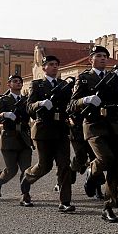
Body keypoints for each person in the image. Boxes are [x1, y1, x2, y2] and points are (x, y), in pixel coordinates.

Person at [69, 45, 118, 223]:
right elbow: (71, 105)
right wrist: (85, 99)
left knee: (116, 165)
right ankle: (91, 171)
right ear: (91, 59)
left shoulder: (113, 77)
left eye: (105, 56)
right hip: (94, 125)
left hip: (113, 124)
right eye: (99, 56)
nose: (103, 58)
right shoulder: (84, 78)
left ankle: (109, 207)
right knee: (105, 158)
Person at [21, 55, 76, 212]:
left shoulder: (64, 85)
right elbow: (29, 107)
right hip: (43, 130)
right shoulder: (36, 85)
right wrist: (40, 103)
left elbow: (70, 105)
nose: (54, 67)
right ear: (44, 67)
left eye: (56, 64)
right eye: (51, 64)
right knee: (44, 166)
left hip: (60, 129)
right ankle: (27, 177)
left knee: (64, 166)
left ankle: (64, 202)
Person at [0, 75, 33, 205]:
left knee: (26, 169)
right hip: (9, 138)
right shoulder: (3, 100)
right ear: (9, 84)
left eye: (20, 81)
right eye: (15, 81)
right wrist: (4, 114)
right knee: (11, 170)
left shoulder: (26, 100)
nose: (18, 83)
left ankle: (25, 195)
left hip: (24, 138)